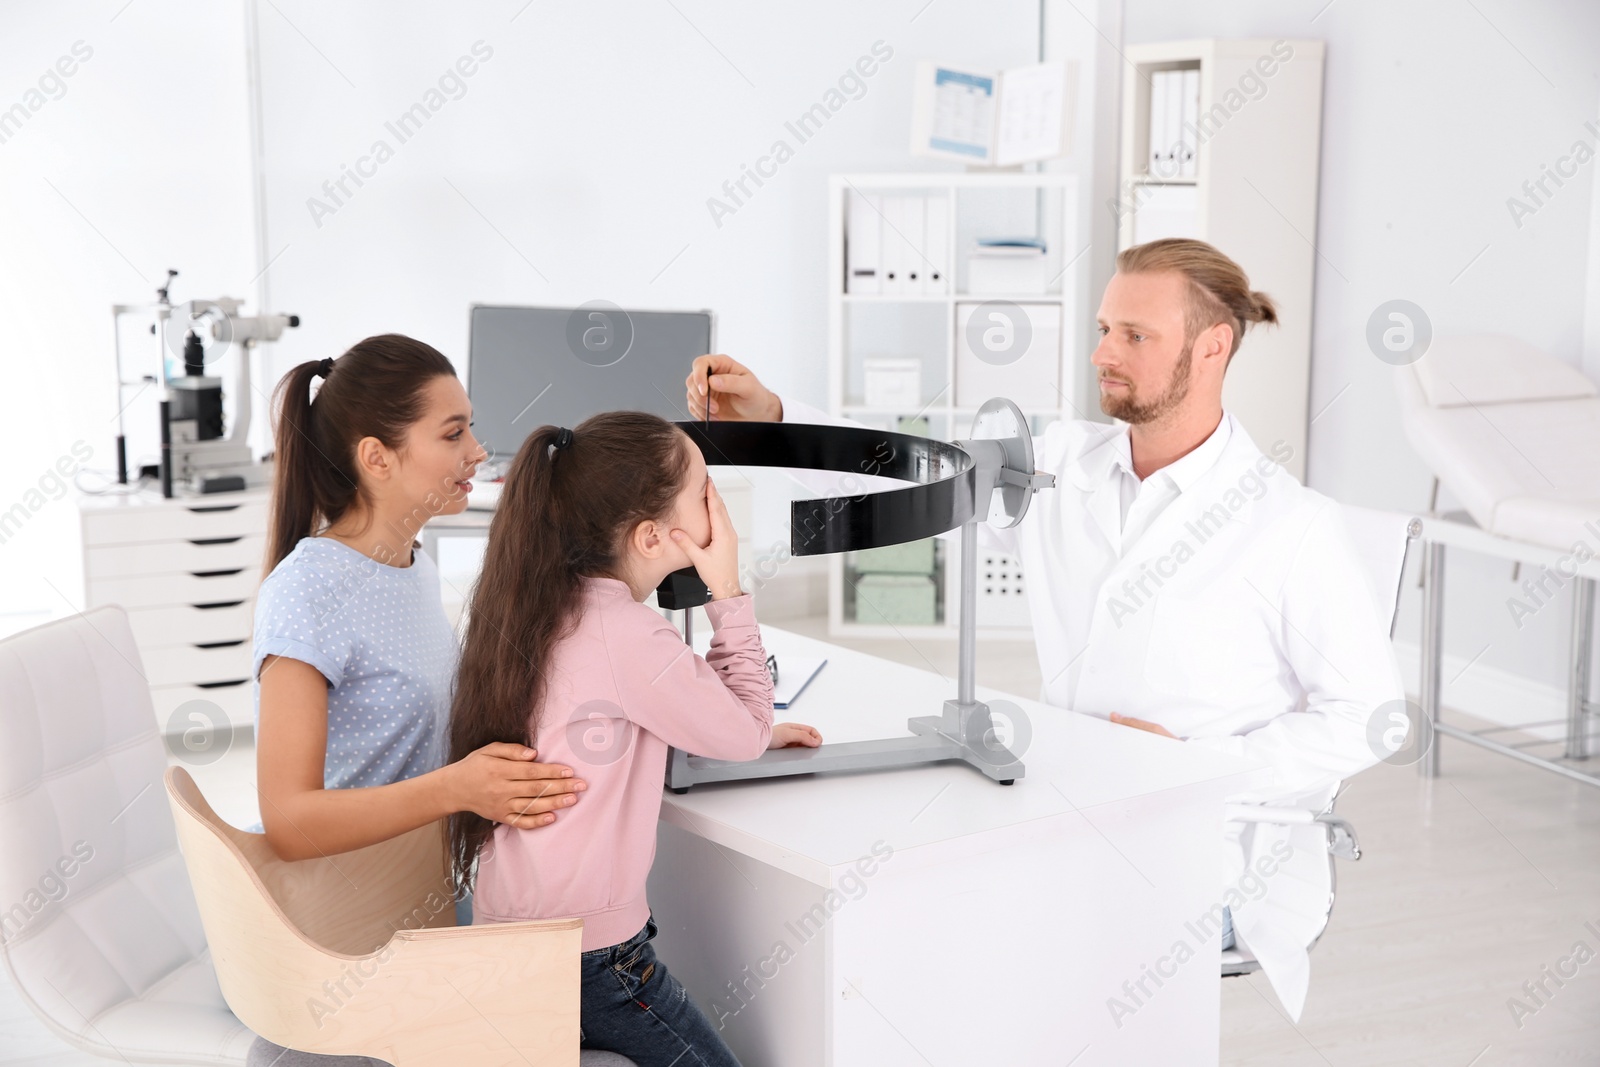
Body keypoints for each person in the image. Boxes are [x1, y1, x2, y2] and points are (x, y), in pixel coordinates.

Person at [683, 238, 1405, 1021]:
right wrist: (779, 420)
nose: (1101, 353)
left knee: (974, 944)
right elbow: (919, 473)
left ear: (1212, 347)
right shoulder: (1064, 462)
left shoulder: (1291, 526)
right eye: (1103, 327)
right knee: (896, 911)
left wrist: (1196, 767)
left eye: (1135, 335)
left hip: (1206, 849)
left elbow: (1371, 719)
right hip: (1068, 804)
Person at [249, 335, 588, 1067]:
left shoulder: (411, 565)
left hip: (418, 896)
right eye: (453, 431)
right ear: (378, 458)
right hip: (345, 923)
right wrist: (458, 787)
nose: (477, 450)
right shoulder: (308, 593)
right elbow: (289, 819)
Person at [449, 411, 821, 1067]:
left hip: (511, 936)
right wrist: (727, 590)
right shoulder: (628, 632)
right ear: (652, 537)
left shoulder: (538, 604)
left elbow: (595, 726)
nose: (719, 510)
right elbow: (742, 732)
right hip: (592, 958)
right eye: (706, 491)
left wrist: (743, 725)